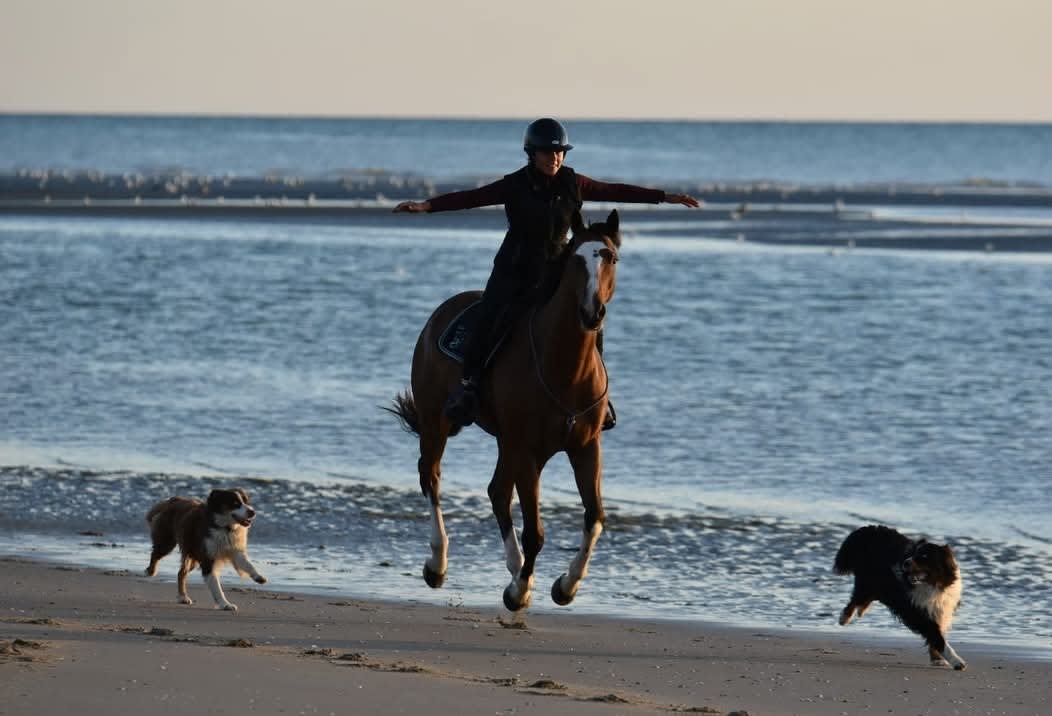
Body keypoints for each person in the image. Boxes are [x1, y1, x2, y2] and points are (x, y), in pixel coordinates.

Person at [394, 118, 700, 429]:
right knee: (489, 316)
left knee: (591, 317)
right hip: (513, 270)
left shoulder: (573, 182)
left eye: (560, 153)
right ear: (532, 153)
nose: (555, 158)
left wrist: (664, 196)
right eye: (547, 153)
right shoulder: (514, 184)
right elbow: (472, 198)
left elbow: (615, 190)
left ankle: (597, 396)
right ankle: (469, 387)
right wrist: (426, 206)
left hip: (555, 271)